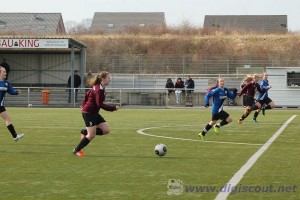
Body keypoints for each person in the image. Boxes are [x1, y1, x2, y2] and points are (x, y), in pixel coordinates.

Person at [73, 71, 120, 157]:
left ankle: (84, 132)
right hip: (89, 113)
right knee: (91, 135)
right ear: (103, 79)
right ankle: (77, 150)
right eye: (109, 78)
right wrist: (113, 108)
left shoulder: (99, 87)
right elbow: (99, 104)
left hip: (93, 112)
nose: (110, 80)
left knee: (106, 130)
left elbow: (88, 94)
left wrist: (83, 105)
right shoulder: (99, 89)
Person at [0, 66, 24, 141]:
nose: (6, 73)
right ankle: (15, 136)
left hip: (0, 106)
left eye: (5, 72)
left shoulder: (6, 83)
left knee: (8, 119)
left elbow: (11, 91)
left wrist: (16, 92)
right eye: (4, 72)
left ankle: (15, 136)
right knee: (8, 119)